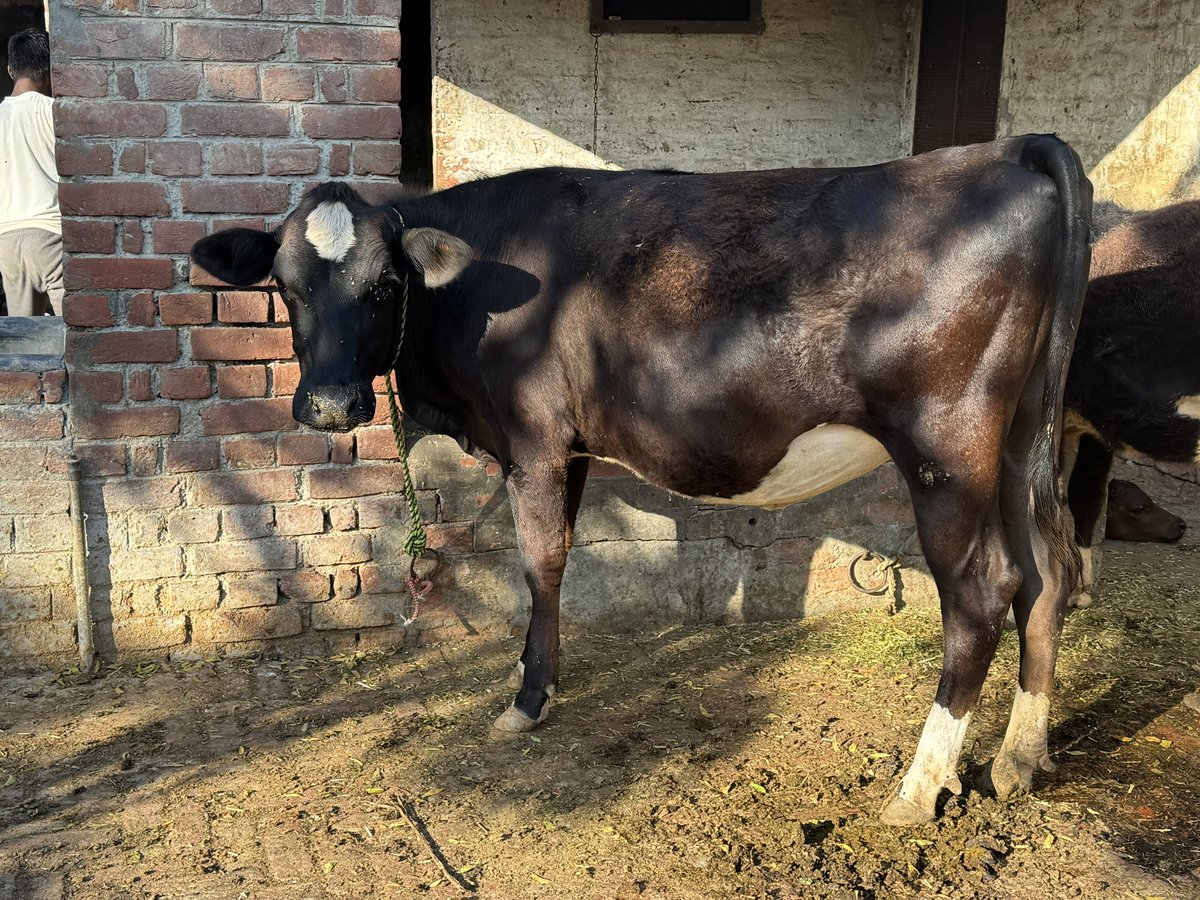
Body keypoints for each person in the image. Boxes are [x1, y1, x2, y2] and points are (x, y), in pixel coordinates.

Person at [0, 29, 62, 317]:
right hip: (52, 236)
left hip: (7, 241)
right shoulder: (55, 112)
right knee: (73, 332)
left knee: (24, 336)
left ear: (11, 70)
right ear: (51, 70)